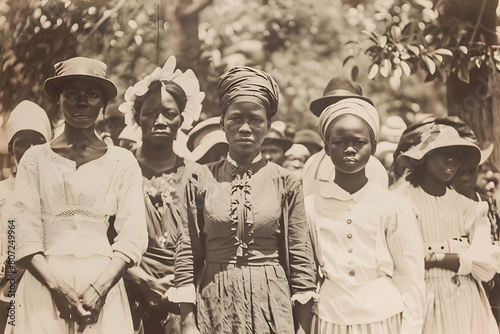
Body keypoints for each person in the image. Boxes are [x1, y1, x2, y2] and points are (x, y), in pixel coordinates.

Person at [172, 66, 317, 334]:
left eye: (256, 120)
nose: (246, 128)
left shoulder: (286, 182)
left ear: (268, 126)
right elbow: (187, 252)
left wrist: (302, 328)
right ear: (222, 123)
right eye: (236, 119)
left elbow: (300, 258)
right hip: (214, 303)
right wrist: (188, 322)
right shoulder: (200, 178)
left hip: (272, 305)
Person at [11, 56, 148, 333]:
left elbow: (133, 235)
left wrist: (100, 290)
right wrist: (57, 288)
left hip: (103, 285)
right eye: (72, 93)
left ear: (103, 103)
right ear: (58, 100)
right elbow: (23, 235)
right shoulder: (35, 160)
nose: (82, 101)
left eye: (92, 94)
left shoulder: (122, 161)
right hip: (43, 285)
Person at [305, 97, 425, 333]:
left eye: (359, 142)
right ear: (327, 147)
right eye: (339, 142)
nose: (349, 149)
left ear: (374, 146)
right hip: (330, 318)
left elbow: (411, 276)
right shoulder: (310, 206)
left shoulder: (393, 206)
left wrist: (412, 327)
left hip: (384, 318)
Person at [118, 55, 204, 334]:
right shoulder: (119, 168)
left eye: (169, 113)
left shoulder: (197, 174)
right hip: (127, 291)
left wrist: (182, 286)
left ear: (182, 118)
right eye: (151, 113)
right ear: (136, 116)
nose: (160, 121)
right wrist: (142, 281)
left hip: (185, 298)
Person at [394, 122, 499, 334]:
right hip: (420, 302)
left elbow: (485, 267)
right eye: (443, 152)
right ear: (423, 156)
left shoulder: (471, 207)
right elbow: (403, 258)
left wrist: (433, 257)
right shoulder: (399, 201)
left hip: (468, 303)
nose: (452, 159)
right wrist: (458, 252)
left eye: (457, 154)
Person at [0, 100, 52, 333]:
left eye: (38, 142)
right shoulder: (2, 193)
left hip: (45, 288)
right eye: (22, 143)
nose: (31, 149)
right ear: (11, 148)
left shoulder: (55, 192)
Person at [303, 77, 388, 197]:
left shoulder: (371, 166)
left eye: (346, 106)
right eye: (330, 108)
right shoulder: (312, 163)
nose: (338, 113)